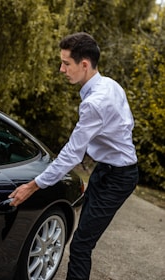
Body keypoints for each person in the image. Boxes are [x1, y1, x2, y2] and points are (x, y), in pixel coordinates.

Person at [9, 32, 139, 280]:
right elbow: (127, 123)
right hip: (108, 170)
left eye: (66, 63)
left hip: (118, 179)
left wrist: (33, 186)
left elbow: (72, 154)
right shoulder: (110, 85)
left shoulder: (95, 102)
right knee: (82, 233)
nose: (61, 69)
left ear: (84, 64)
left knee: (80, 245)